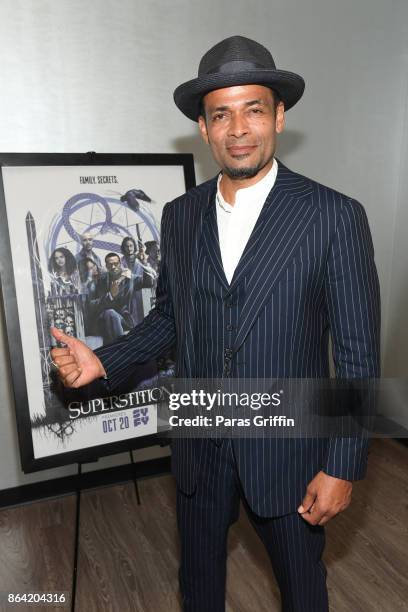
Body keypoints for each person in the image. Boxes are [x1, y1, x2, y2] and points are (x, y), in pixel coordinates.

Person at [50, 35, 380, 612]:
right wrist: (106, 360)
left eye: (254, 109)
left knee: (303, 588)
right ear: (203, 128)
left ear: (280, 116)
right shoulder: (179, 217)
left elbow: (356, 356)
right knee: (198, 584)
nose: (238, 129)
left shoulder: (334, 216)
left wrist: (342, 465)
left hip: (288, 450)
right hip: (200, 440)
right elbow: (171, 320)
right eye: (221, 114)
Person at [88, 252, 134, 344]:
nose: (113, 267)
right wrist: (110, 296)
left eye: (116, 264)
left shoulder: (127, 277)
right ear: (106, 266)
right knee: (110, 313)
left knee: (112, 314)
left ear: (120, 264)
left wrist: (145, 263)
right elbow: (92, 305)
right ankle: (121, 347)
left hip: (123, 318)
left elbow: (148, 282)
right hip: (102, 319)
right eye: (110, 264)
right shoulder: (98, 282)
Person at [120, 236, 156, 324]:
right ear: (123, 248)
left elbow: (150, 279)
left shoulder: (140, 260)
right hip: (127, 296)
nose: (129, 248)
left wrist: (144, 262)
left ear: (134, 247)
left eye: (131, 246)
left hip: (141, 294)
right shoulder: (121, 262)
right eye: (126, 246)